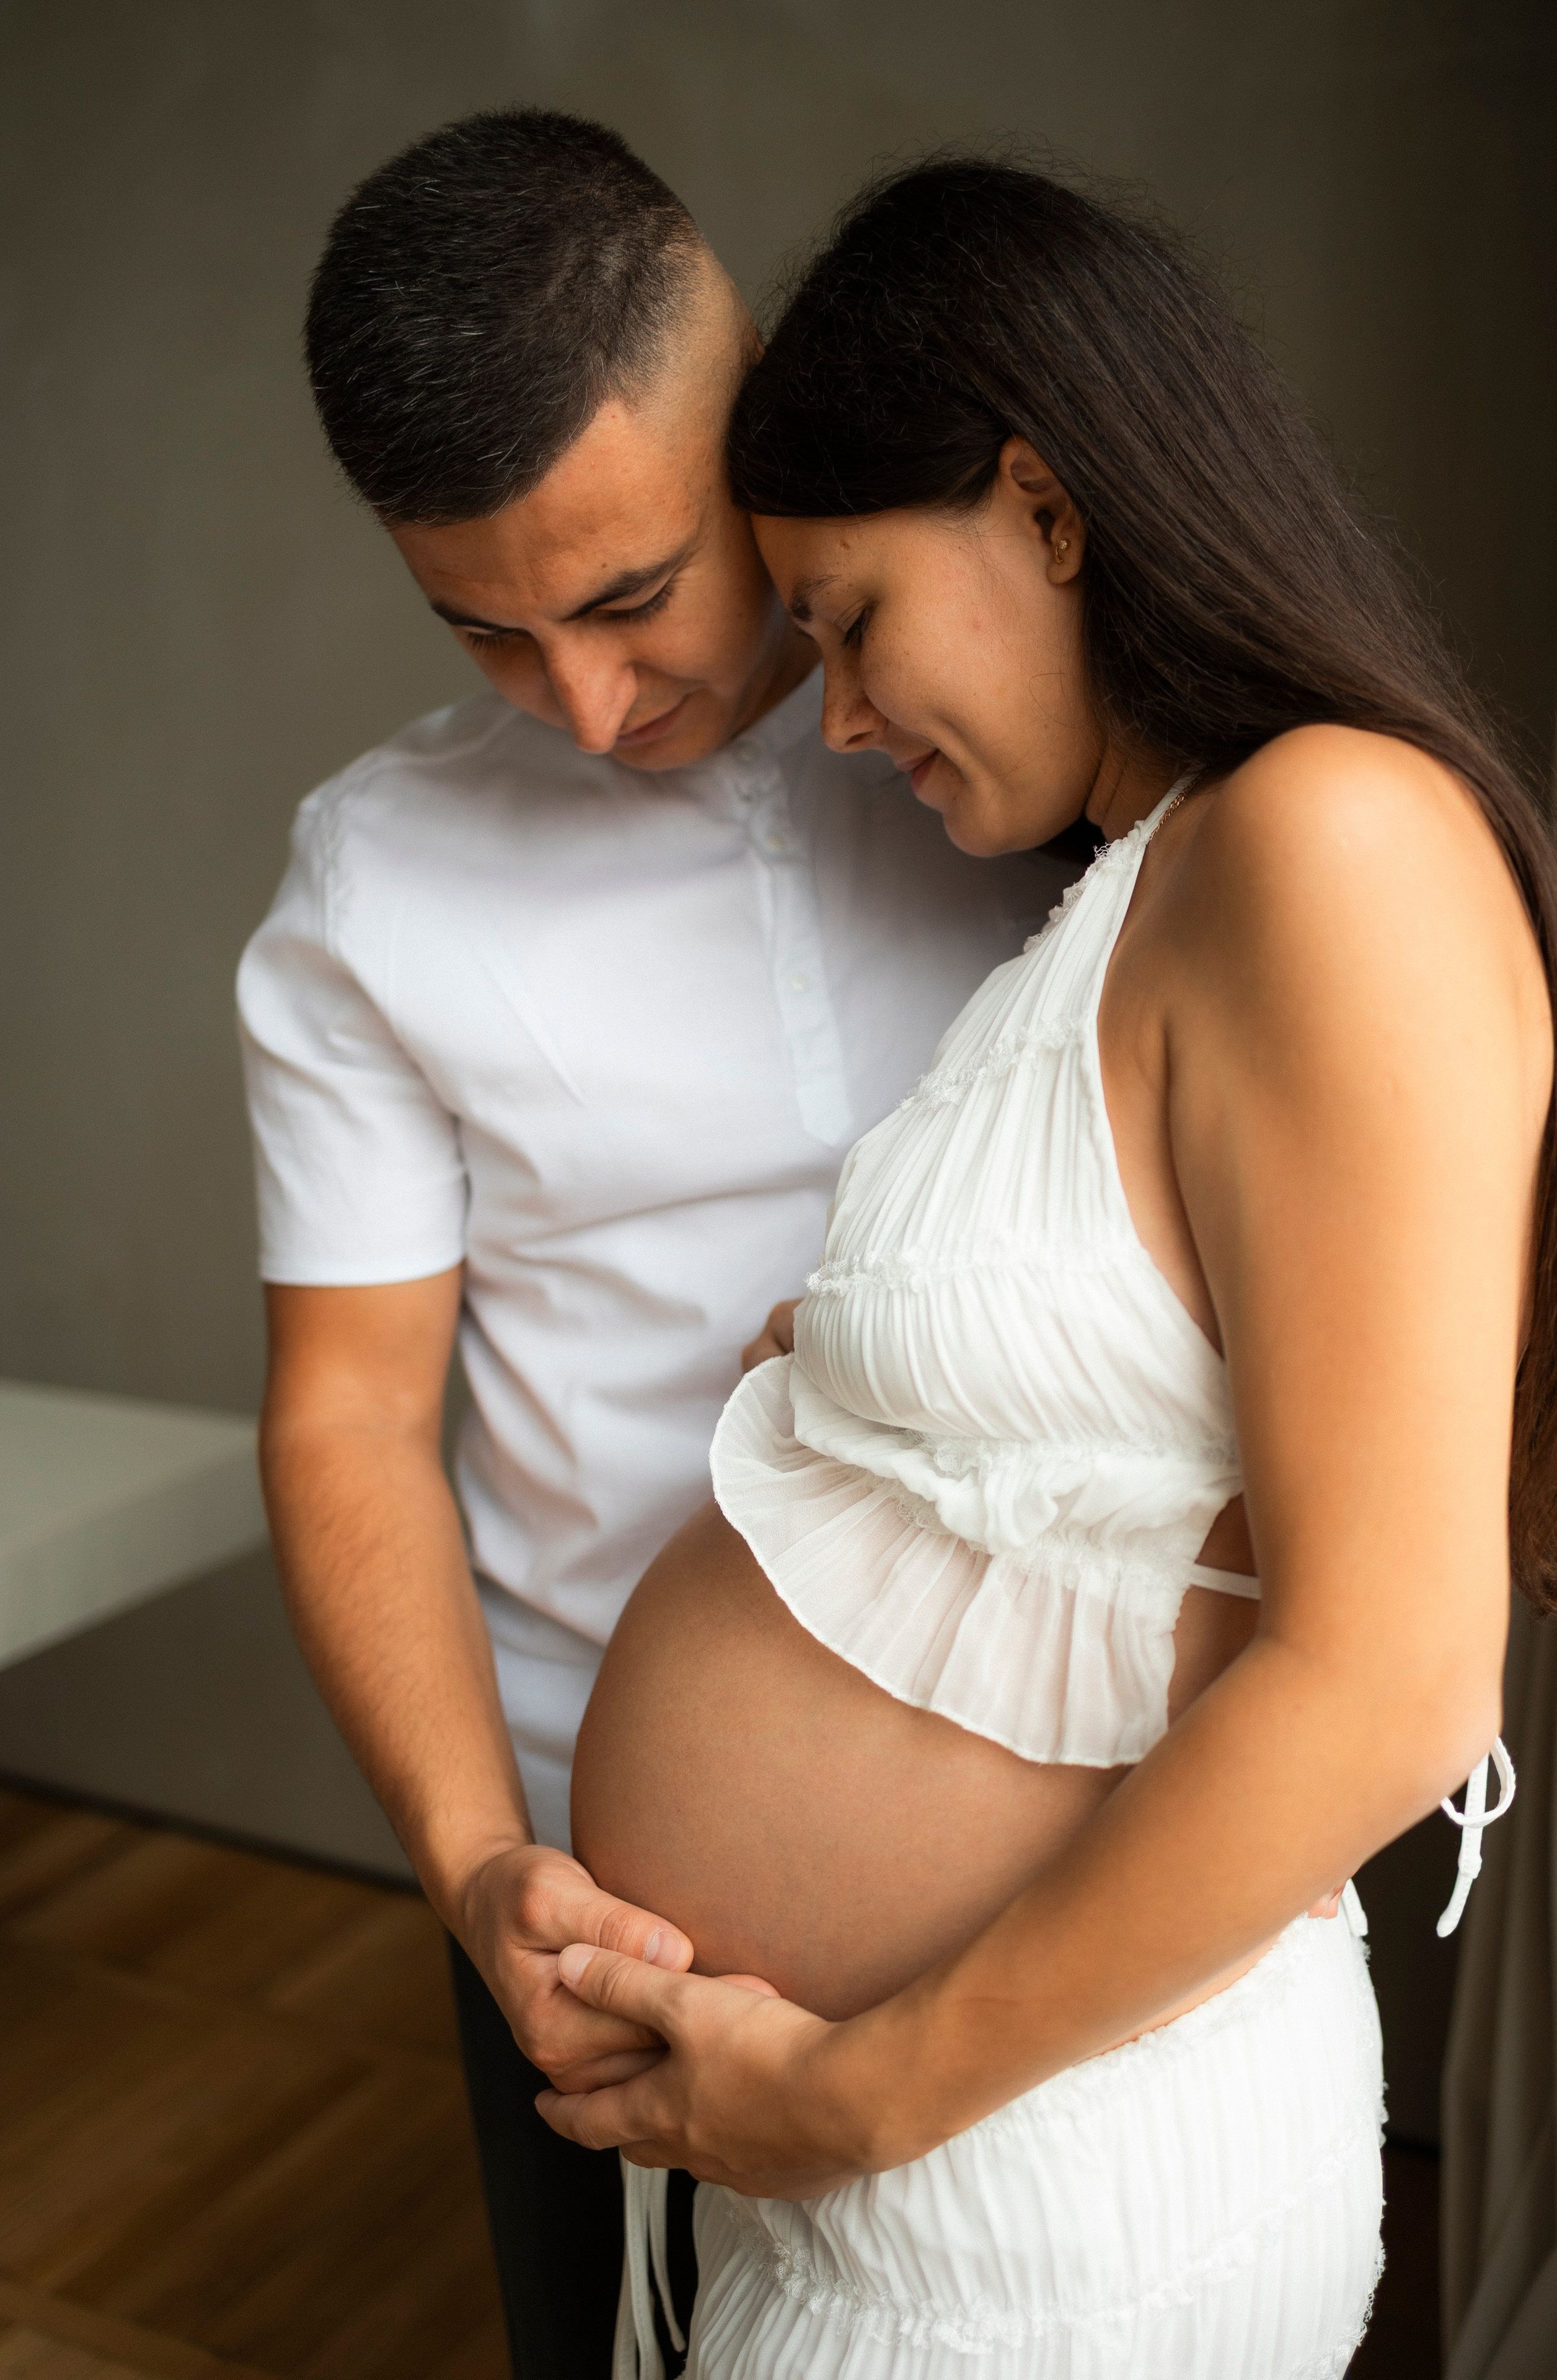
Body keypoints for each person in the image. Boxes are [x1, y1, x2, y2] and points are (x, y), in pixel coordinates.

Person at [540, 159, 1554, 2377]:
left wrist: (851, 2094)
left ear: (1045, 505)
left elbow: (1399, 1673)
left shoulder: (1327, 841)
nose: (835, 714)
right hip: (907, 2153)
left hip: (1021, 2164)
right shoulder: (1155, 879)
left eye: (853, 619)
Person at [236, 113, 1072, 2377]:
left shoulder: (1013, 736)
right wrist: (474, 1867)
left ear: (767, 396)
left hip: (1068, 1852)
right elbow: (344, 1419)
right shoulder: (372, 888)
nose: (590, 706)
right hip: (594, 1910)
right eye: (487, 634)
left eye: (625, 597)